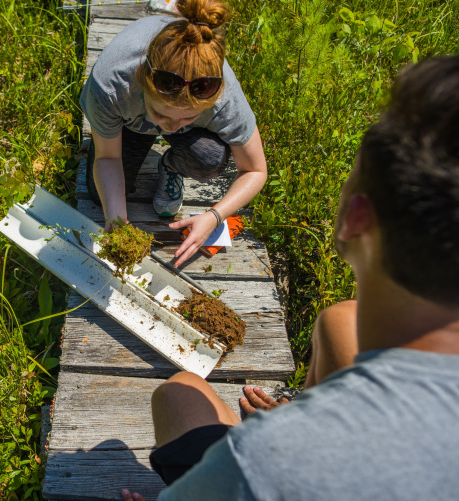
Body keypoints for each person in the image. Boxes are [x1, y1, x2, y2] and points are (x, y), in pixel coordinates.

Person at [121, 55, 459, 500]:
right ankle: (307, 409)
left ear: (354, 219)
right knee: (340, 319)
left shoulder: (259, 464)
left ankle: (305, 419)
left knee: (179, 392)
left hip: (298, 466)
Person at [80, 0, 267, 267]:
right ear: (142, 84)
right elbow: (107, 159)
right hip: (129, 121)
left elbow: (256, 170)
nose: (170, 128)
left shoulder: (225, 99)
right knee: (100, 198)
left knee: (209, 158)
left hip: (154, 116)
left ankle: (171, 165)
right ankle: (156, 123)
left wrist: (214, 216)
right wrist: (116, 220)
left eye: (188, 117)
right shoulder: (111, 86)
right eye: (161, 115)